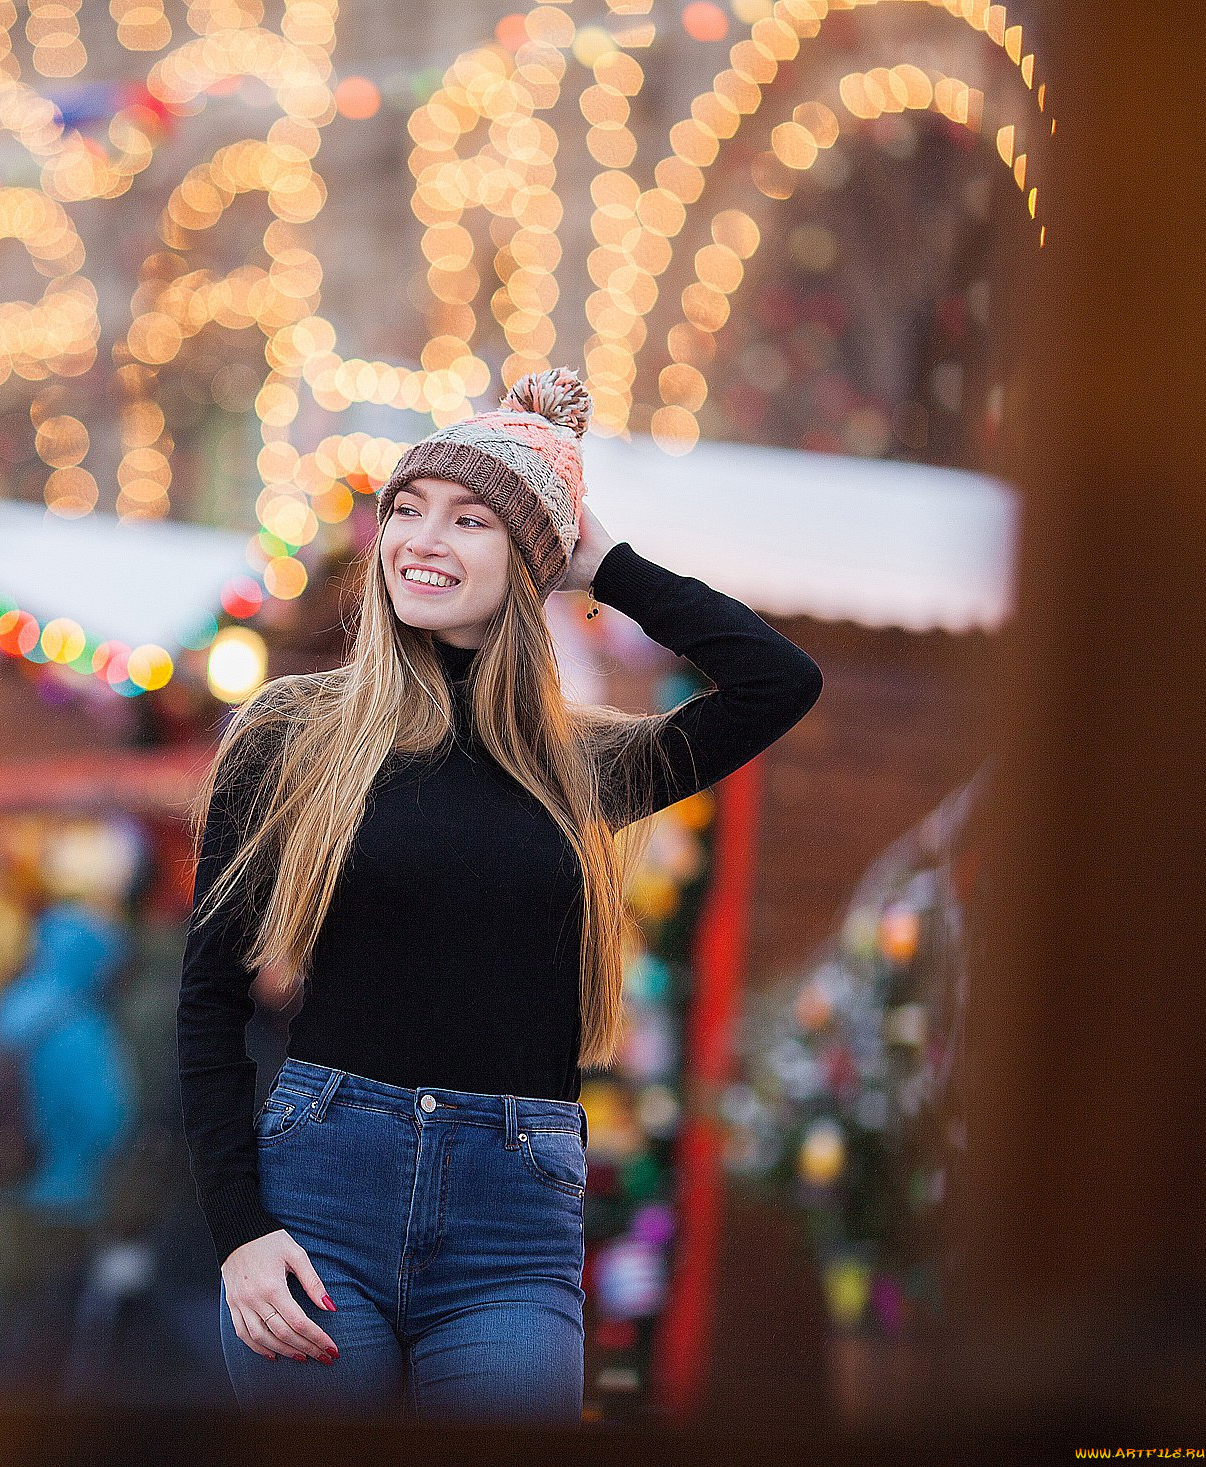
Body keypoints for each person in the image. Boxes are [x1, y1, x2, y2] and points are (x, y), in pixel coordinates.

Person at [175, 367, 823, 1423]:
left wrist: (605, 561)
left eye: (471, 520)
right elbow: (208, 1001)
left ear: (533, 561)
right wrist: (239, 1233)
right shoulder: (292, 736)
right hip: (321, 1201)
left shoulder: (579, 770)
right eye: (406, 511)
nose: (421, 540)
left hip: (509, 1235)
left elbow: (776, 681)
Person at [0, 901, 139, 1403]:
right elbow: (109, 1117)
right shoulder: (80, 1026)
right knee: (47, 1321)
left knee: (4, 1311)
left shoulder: (12, 1007)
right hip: (66, 1195)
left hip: (3, 1185)